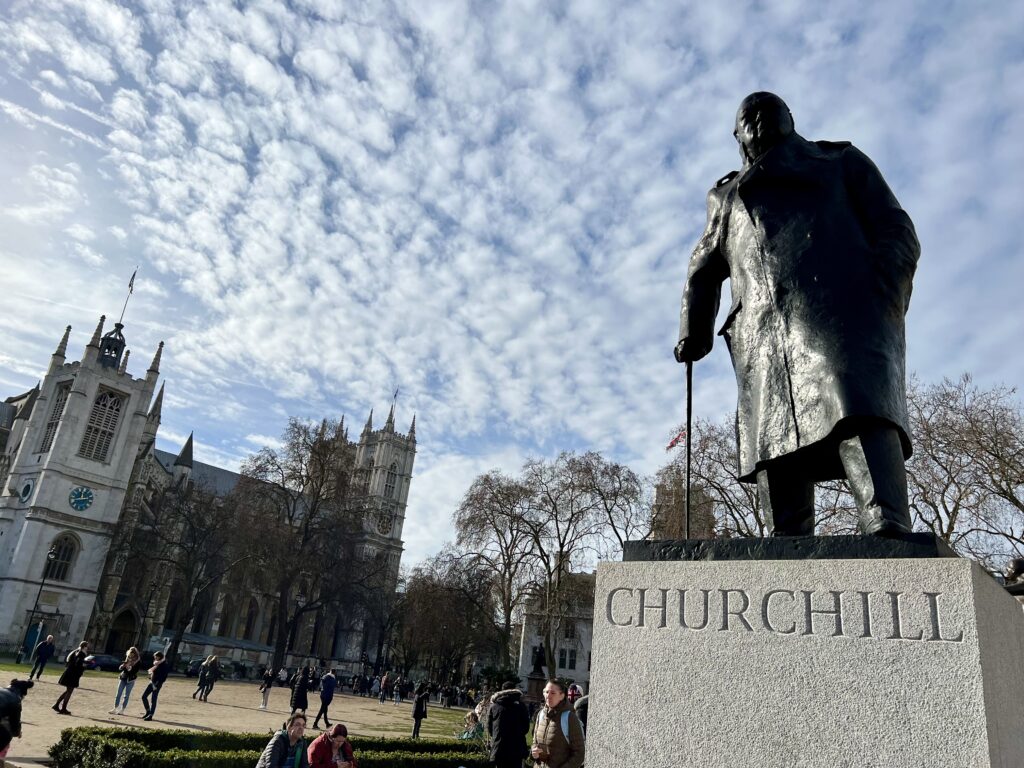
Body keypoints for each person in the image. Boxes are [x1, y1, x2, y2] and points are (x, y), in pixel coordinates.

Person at [675, 91, 921, 538]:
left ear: (791, 118)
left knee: (856, 406)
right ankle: (786, 545)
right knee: (774, 444)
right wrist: (695, 330)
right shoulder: (726, 196)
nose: (758, 119)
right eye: (748, 116)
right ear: (737, 135)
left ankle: (886, 522)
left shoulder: (840, 161)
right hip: (762, 334)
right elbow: (703, 268)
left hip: (840, 311)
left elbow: (895, 227)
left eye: (770, 111)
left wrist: (881, 288)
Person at [530, 680, 585, 768]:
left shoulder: (569, 717)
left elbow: (579, 753)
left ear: (562, 696)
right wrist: (534, 752)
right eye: (546, 692)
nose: (548, 696)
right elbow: (534, 742)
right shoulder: (540, 715)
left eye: (553, 693)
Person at [487, 680, 530, 768]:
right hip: (517, 747)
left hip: (498, 747)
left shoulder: (494, 706)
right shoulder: (521, 706)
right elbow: (526, 727)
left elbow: (489, 728)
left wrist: (496, 735)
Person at [0, 679, 33, 763]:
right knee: (6, 736)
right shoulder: (16, 700)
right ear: (22, 694)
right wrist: (18, 732)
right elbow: (15, 724)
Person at [52, 641, 88, 715]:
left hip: (70, 673)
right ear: (84, 647)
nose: (87, 648)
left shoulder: (76, 652)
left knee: (68, 691)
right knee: (69, 691)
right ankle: (63, 708)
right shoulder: (81, 654)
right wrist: (84, 666)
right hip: (73, 674)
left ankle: (57, 705)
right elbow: (78, 664)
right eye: (87, 646)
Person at [109, 647, 140, 715]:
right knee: (118, 694)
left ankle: (122, 710)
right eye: (130, 653)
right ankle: (115, 708)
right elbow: (122, 669)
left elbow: (135, 671)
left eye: (132, 654)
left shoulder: (137, 661)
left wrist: (129, 667)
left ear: (135, 654)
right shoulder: (127, 659)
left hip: (131, 680)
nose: (131, 655)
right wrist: (123, 666)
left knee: (126, 695)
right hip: (123, 678)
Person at [141, 651, 169, 721]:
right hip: (152, 683)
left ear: (160, 657)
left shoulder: (164, 664)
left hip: (157, 684)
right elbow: (154, 673)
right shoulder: (156, 663)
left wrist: (157, 683)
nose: (155, 657)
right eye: (155, 656)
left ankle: (151, 715)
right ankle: (148, 711)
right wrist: (151, 678)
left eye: (157, 656)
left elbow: (164, 676)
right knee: (144, 696)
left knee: (153, 699)